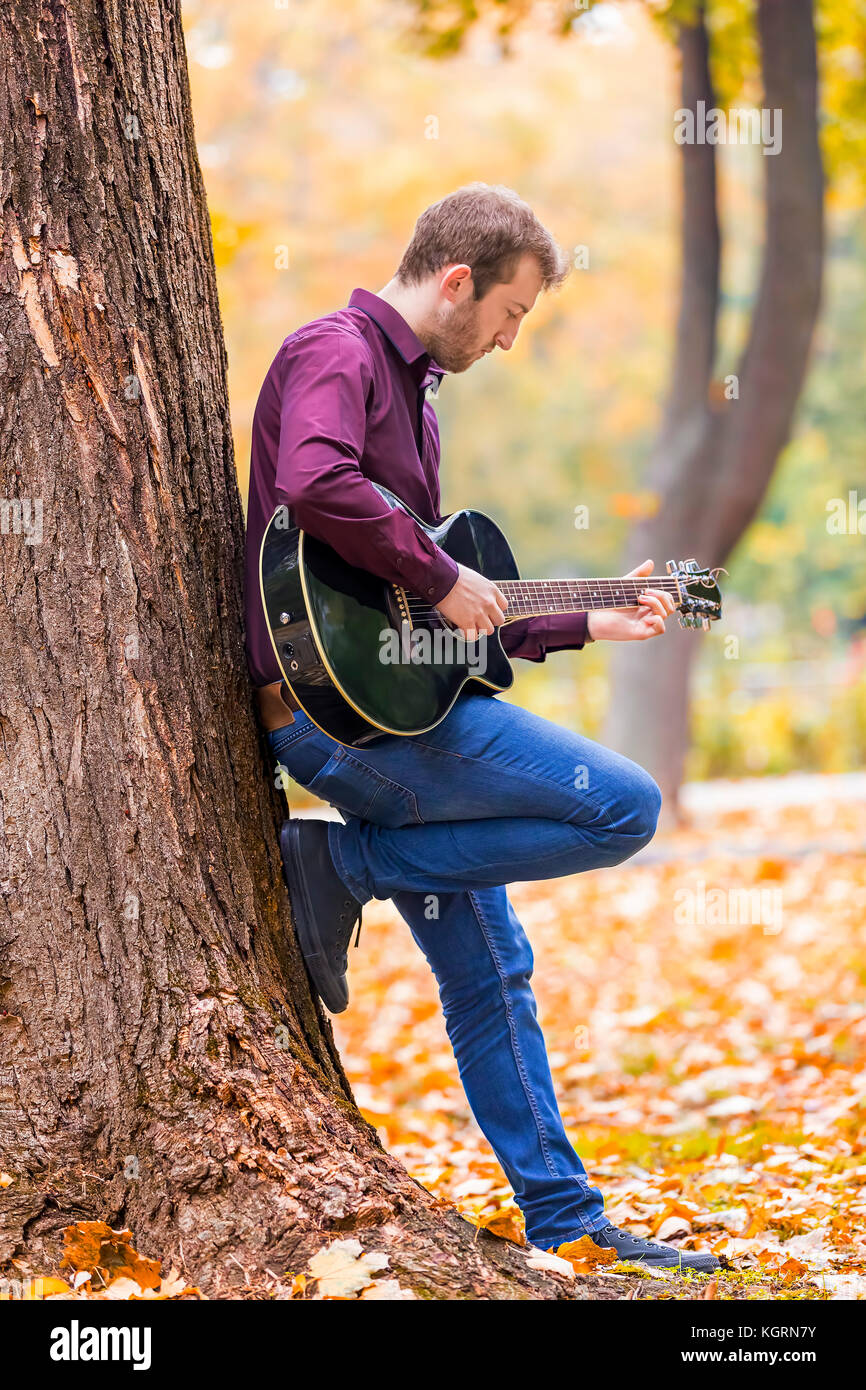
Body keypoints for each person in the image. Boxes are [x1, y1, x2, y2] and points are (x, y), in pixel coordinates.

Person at [243, 184, 719, 1272]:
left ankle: (567, 1224)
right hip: (339, 733)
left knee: (490, 969)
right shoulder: (337, 351)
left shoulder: (416, 397)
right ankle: (345, 861)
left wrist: (583, 617)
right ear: (456, 281)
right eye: (508, 314)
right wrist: (436, 569)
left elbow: (422, 616)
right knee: (621, 807)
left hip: (390, 715)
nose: (508, 340)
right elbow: (313, 481)